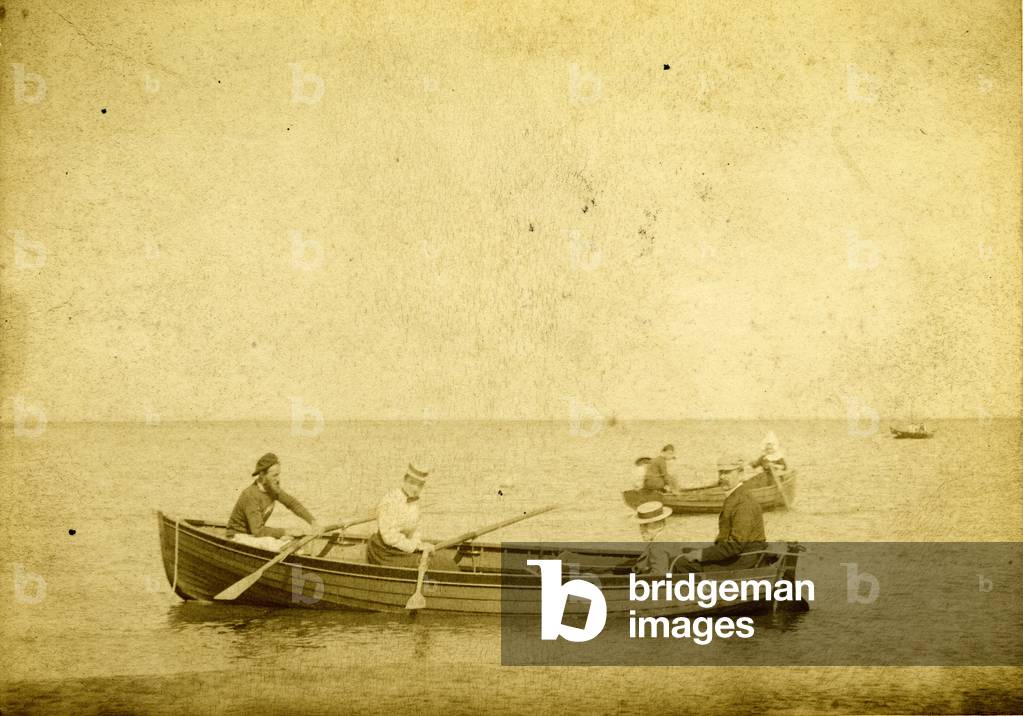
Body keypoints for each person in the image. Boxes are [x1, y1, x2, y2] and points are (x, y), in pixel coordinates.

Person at [685, 455, 767, 570]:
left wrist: (702, 554)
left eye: (727, 472)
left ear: (740, 474)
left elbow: (735, 545)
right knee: (685, 553)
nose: (722, 477)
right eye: (721, 472)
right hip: (736, 556)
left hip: (742, 562)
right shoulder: (735, 497)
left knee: (681, 563)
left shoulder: (743, 503)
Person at [226, 452, 321, 551]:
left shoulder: (273, 489)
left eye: (278, 475)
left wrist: (313, 522)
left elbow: (292, 504)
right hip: (238, 537)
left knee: (296, 543)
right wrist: (286, 532)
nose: (278, 479)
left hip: (254, 536)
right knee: (277, 544)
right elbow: (258, 531)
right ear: (262, 475)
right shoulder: (250, 495)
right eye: (274, 475)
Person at [366, 463, 437, 568]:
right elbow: (389, 536)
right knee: (424, 564)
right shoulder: (389, 500)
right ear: (404, 480)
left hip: (401, 547)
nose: (416, 488)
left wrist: (418, 544)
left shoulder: (415, 502)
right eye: (412, 483)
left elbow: (416, 530)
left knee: (433, 560)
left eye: (420, 485)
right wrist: (416, 547)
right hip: (383, 551)